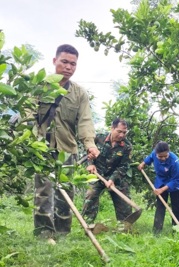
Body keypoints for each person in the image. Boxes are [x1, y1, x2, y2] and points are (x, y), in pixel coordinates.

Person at [34, 44, 100, 243]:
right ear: (55, 61)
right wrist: (30, 137)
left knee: (66, 192)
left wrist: (90, 144)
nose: (68, 67)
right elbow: (28, 111)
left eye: (73, 64)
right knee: (43, 191)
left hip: (66, 148)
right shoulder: (40, 86)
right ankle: (45, 233)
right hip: (41, 148)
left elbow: (85, 121)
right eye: (64, 62)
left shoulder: (79, 93)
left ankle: (63, 232)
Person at [81, 118, 134, 232]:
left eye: (124, 132)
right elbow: (88, 151)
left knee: (123, 202)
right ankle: (87, 226)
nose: (121, 135)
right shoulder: (98, 138)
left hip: (116, 177)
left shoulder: (127, 146)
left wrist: (112, 179)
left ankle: (124, 229)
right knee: (90, 194)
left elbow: (123, 167)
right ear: (112, 128)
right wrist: (90, 164)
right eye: (119, 131)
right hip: (97, 174)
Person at [137, 141, 179, 234]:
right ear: (156, 153)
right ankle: (156, 232)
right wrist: (143, 164)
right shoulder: (154, 154)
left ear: (168, 153)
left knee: (177, 208)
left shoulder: (174, 161)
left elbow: (176, 179)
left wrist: (162, 190)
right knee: (160, 207)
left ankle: (178, 231)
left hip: (175, 183)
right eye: (160, 156)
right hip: (161, 182)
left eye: (165, 156)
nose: (163, 158)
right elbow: (149, 158)